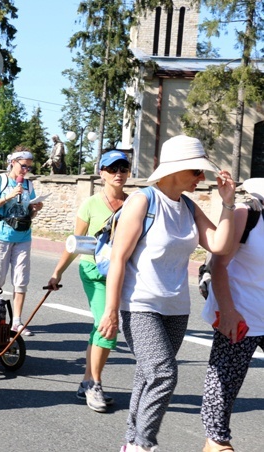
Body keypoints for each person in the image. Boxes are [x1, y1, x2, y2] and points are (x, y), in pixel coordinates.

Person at [97, 135, 236, 452]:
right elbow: (118, 258)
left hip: (176, 308)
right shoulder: (143, 202)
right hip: (140, 305)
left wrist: (228, 201)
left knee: (147, 375)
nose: (201, 178)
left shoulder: (188, 206)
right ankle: (143, 446)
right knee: (164, 374)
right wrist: (110, 310)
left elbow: (220, 245)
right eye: (197, 172)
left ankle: (131, 443)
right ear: (177, 170)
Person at [47, 150, 130, 413]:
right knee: (107, 326)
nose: (118, 173)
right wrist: (57, 272)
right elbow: (75, 243)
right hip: (94, 272)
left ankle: (86, 381)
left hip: (123, 273)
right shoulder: (91, 204)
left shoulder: (134, 203)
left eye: (123, 168)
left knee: (100, 325)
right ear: (102, 173)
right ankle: (94, 383)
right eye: (112, 168)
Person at [200, 178, 264, 452]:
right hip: (241, 313)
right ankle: (216, 443)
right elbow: (218, 264)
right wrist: (227, 311)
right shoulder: (246, 214)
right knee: (225, 383)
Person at [0, 146, 44, 336]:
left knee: (21, 281)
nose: (26, 170)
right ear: (13, 162)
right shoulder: (0, 180)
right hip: (0, 236)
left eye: (29, 167)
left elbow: (28, 213)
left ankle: (16, 322)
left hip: (23, 236)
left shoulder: (28, 185)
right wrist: (8, 196)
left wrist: (35, 208)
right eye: (24, 166)